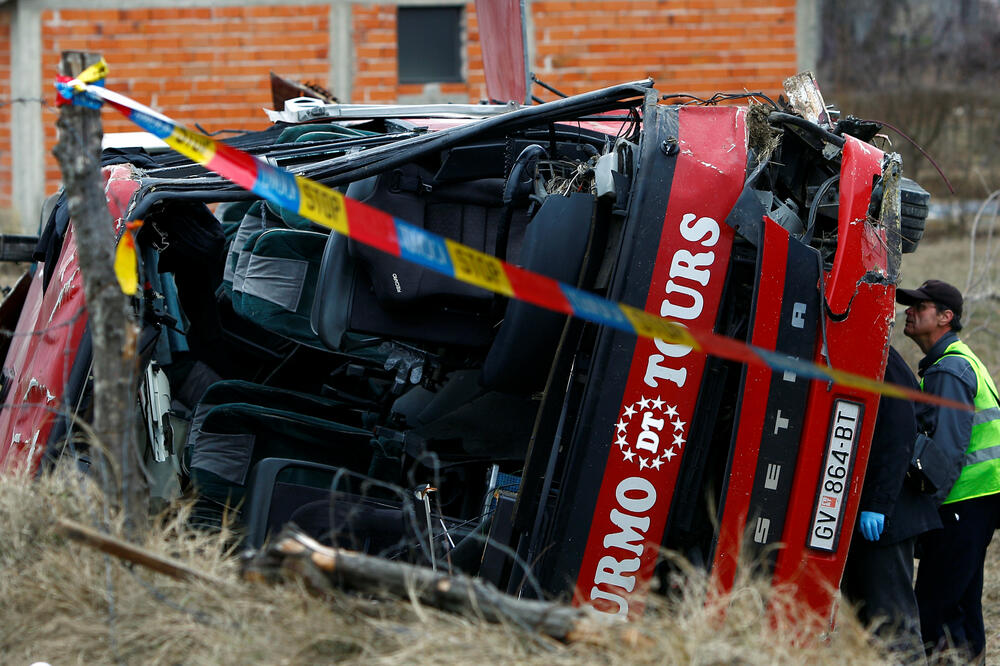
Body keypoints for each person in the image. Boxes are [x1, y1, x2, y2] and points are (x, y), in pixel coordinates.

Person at [896, 279, 1000, 661]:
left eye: (920, 307)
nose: (908, 311)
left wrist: (925, 509)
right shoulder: (960, 359)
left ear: (945, 317)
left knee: (935, 610)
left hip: (962, 501)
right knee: (962, 607)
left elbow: (946, 450)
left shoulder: (949, 370)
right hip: (978, 498)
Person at [842, 345, 940, 657]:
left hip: (888, 515)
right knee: (867, 621)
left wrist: (877, 505)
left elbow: (899, 431)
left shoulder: (879, 354)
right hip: (866, 512)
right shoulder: (860, 349)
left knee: (894, 624)